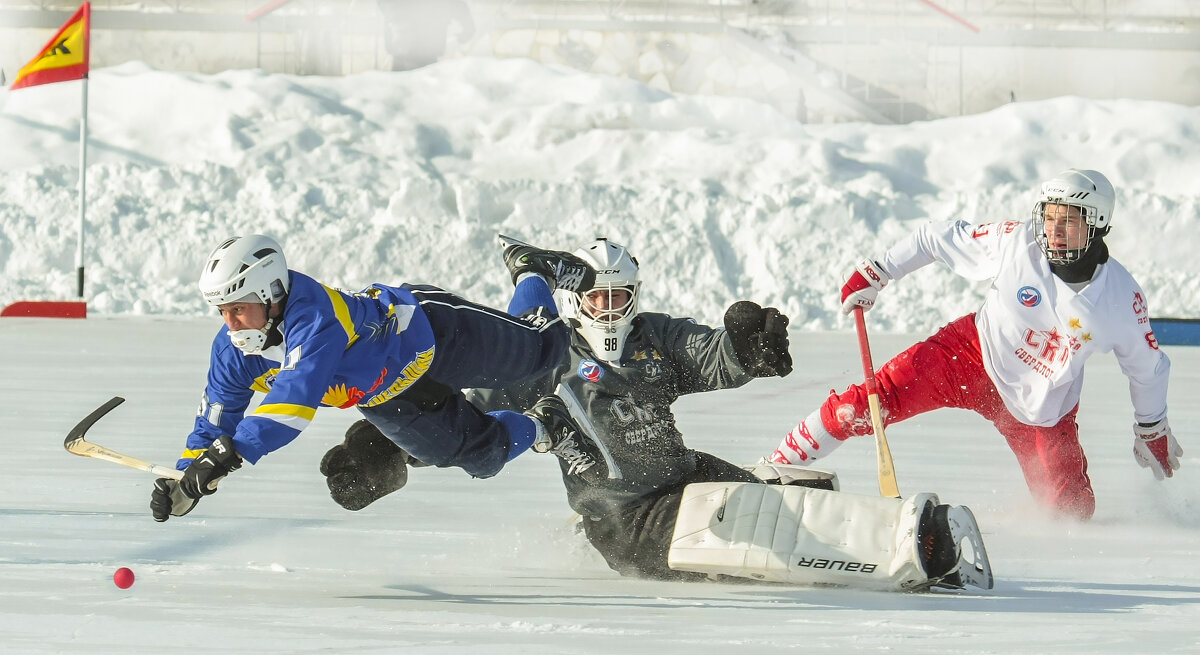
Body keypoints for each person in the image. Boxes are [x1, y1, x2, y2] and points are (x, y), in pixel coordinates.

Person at [322, 238, 992, 591]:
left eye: (622, 297)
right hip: (629, 521)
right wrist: (379, 450)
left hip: (683, 475)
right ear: (576, 302)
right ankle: (906, 547)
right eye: (599, 299)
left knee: (776, 503)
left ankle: (886, 538)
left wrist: (748, 346)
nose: (611, 311)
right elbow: (456, 418)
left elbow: (710, 354)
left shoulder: (652, 340)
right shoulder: (536, 362)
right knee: (771, 528)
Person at [769, 169, 1181, 520]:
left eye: (1069, 220)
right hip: (967, 356)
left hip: (1041, 408)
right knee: (862, 407)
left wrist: (1152, 427)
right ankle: (773, 470)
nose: (1054, 230)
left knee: (1071, 511)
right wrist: (878, 271)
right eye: (1050, 216)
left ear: (1098, 224)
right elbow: (934, 238)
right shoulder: (1017, 241)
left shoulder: (1122, 299)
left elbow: (1147, 369)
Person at [149, 234, 608, 521]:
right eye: (222, 311)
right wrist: (185, 473)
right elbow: (216, 417)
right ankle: (549, 426)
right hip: (387, 395)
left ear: (272, 294)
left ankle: (533, 269)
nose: (231, 324)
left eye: (239, 308)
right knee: (482, 458)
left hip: (433, 333)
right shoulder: (231, 352)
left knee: (544, 350)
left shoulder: (315, 319)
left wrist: (227, 457)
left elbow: (291, 405)